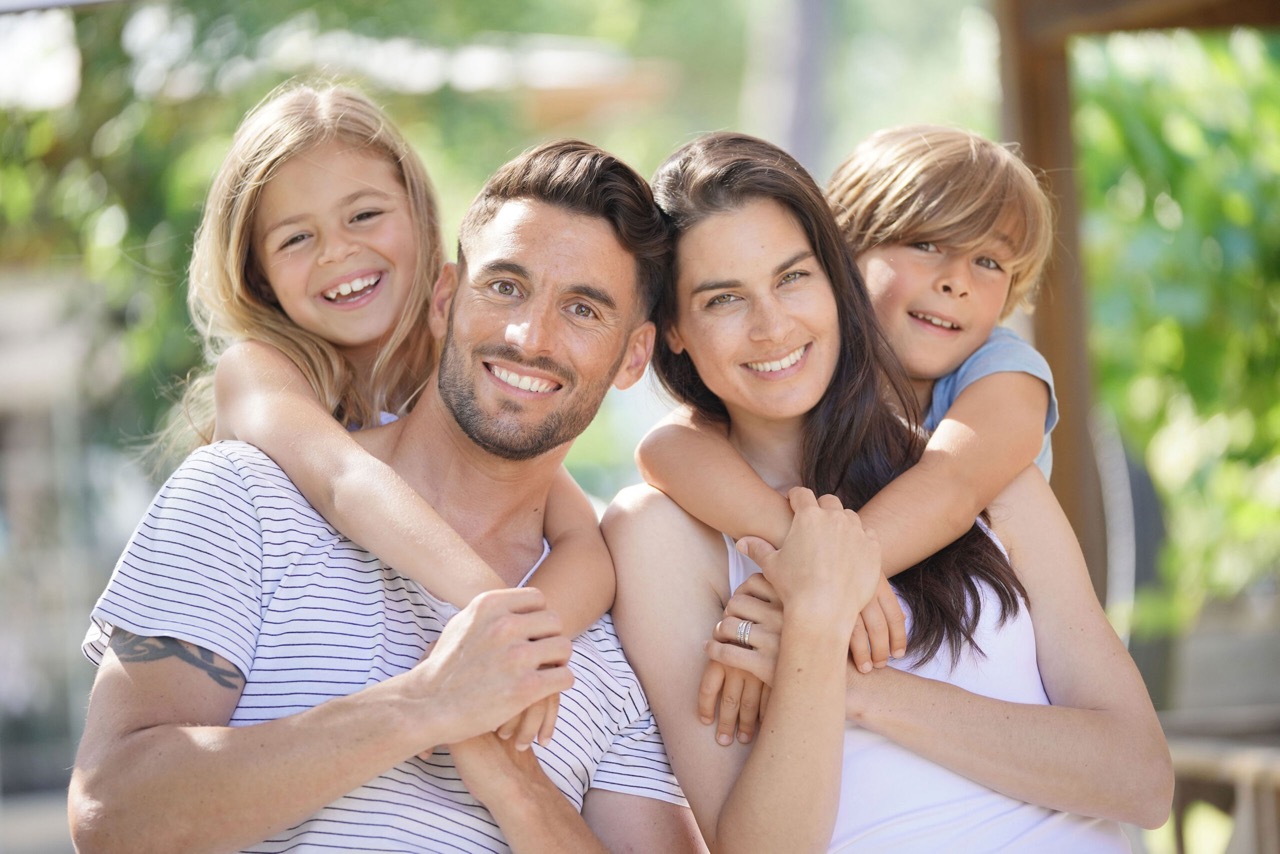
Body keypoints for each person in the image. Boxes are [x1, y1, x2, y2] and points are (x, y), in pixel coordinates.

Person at [69, 139, 702, 853]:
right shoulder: (244, 495)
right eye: (505, 286)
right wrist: (421, 706)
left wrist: (512, 778)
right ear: (444, 299)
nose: (530, 336)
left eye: (584, 310)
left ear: (636, 356)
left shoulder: (615, 631)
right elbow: (110, 814)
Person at [602, 132, 1171, 851]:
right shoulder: (662, 530)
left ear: (832, 279)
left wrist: (842, 668)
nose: (772, 325)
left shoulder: (988, 471)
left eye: (792, 278)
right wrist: (817, 609)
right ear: (674, 330)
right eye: (723, 299)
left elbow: (1143, 781)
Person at [161, 81, 619, 747]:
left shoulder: (466, 357)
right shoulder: (258, 373)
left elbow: (584, 543)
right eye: (295, 238)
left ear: (419, 216)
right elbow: (345, 481)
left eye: (364, 216)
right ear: (258, 274)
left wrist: (524, 653)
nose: (337, 253)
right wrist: (493, 615)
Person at [634, 126, 1058, 733]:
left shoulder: (1004, 373)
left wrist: (810, 586)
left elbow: (952, 486)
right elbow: (667, 446)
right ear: (846, 253)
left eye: (989, 262)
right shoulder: (809, 375)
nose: (957, 280)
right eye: (928, 243)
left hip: (1010, 673)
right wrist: (805, 566)